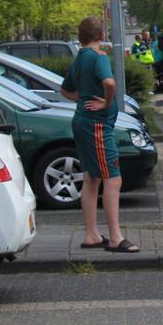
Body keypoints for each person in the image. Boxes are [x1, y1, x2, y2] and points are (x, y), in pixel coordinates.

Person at [60, 16, 139, 253]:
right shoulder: (97, 58)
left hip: (82, 122)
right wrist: (105, 103)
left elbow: (64, 90)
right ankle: (115, 238)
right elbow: (110, 84)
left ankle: (92, 235)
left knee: (91, 178)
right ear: (102, 36)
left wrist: (83, 100)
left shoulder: (80, 59)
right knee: (113, 178)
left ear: (80, 36)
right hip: (97, 126)